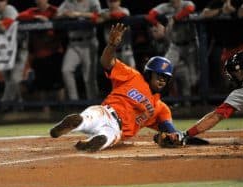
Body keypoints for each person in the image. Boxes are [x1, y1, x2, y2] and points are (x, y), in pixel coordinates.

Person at [49, 23, 184, 152]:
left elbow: (169, 128)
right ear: (149, 74)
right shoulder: (133, 76)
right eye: (159, 75)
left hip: (117, 130)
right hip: (105, 112)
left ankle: (90, 143)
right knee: (87, 118)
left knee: (107, 138)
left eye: (165, 77)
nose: (162, 79)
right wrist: (111, 45)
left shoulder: (161, 109)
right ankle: (74, 123)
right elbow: (106, 62)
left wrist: (176, 136)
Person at [183, 51, 243, 139]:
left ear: (240, 72)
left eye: (233, 73)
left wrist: (186, 134)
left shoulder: (241, 93)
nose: (232, 77)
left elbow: (215, 117)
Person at [146, 0, 199, 106]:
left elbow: (190, 9)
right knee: (162, 70)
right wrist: (158, 24)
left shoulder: (186, 4)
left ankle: (195, 103)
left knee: (194, 79)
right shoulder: (165, 6)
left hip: (191, 45)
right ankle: (157, 101)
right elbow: (150, 16)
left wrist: (175, 18)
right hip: (175, 46)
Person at [17, 0, 64, 113]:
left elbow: (62, 19)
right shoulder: (33, 12)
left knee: (58, 83)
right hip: (38, 53)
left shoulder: (54, 10)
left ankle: (63, 107)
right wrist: (36, 18)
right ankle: (45, 109)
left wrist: (48, 21)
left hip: (54, 52)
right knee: (41, 84)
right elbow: (19, 16)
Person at [57, 0, 101, 100]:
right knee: (66, 70)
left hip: (89, 42)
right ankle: (74, 101)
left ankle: (93, 104)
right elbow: (56, 15)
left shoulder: (93, 2)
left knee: (89, 77)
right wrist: (65, 15)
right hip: (73, 43)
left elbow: (99, 16)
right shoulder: (68, 3)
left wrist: (78, 14)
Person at [98, 0, 135, 68]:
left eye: (115, 1)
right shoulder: (103, 12)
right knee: (115, 77)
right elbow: (96, 19)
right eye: (111, 1)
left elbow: (119, 15)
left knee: (132, 76)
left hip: (126, 51)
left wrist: (107, 17)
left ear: (119, 2)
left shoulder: (125, 10)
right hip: (112, 53)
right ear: (107, 2)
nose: (113, 4)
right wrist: (103, 16)